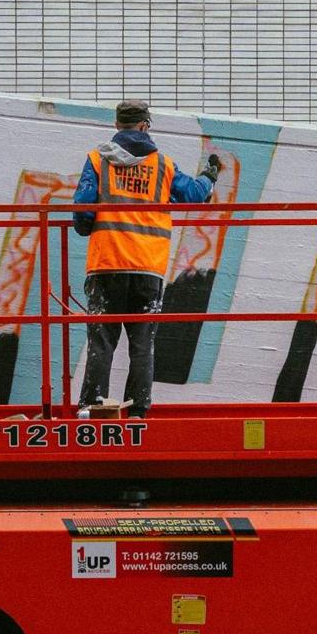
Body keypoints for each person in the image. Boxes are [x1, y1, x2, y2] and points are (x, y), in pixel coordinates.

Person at [71, 98, 220, 416]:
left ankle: (91, 406)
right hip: (147, 268)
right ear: (145, 126)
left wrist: (91, 225)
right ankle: (138, 409)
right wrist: (210, 176)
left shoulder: (98, 160)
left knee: (102, 340)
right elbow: (194, 194)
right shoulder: (163, 166)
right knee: (142, 343)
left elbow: (83, 214)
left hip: (106, 265)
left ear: (116, 126)